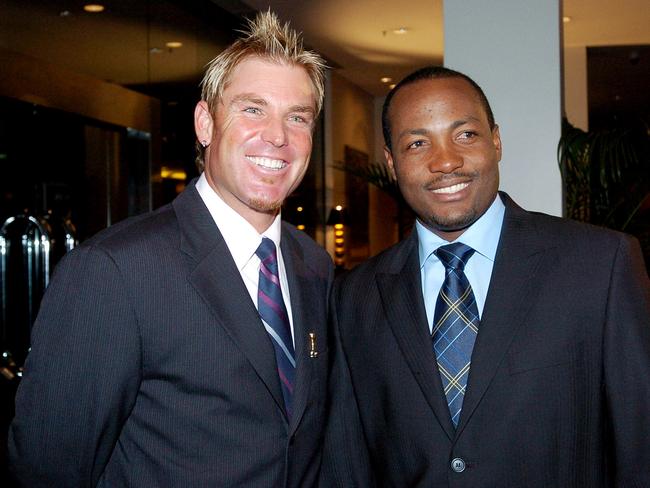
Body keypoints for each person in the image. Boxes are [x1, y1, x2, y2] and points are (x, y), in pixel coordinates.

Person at [8, 11, 333, 487]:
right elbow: (47, 469)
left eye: (298, 117)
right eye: (252, 109)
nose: (278, 136)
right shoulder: (114, 270)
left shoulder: (315, 266)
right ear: (205, 123)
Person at [321, 66, 650, 487]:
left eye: (465, 135)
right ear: (391, 162)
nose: (445, 161)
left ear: (495, 141)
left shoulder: (600, 265)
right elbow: (347, 463)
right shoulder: (354, 297)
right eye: (417, 143)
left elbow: (640, 447)